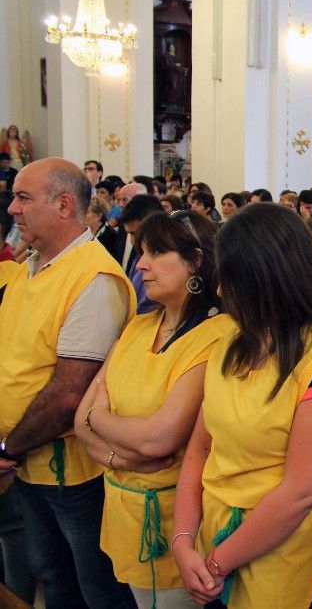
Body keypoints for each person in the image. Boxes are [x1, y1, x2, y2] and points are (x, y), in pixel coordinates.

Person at [172, 204, 312, 608]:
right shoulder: (230, 343)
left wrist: (216, 563)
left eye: (230, 280)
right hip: (215, 537)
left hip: (288, 548)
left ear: (265, 279)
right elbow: (199, 449)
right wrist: (182, 542)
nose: (219, 291)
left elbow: (300, 492)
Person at [72, 210, 232, 608]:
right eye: (141, 252)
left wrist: (99, 418)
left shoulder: (218, 334)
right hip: (122, 510)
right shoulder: (140, 325)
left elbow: (159, 437)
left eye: (156, 252)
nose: (140, 263)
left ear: (195, 261)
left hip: (172, 521)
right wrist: (115, 452)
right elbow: (80, 418)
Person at [1, 159, 136, 608]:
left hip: (72, 472)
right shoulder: (34, 265)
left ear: (63, 205)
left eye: (23, 197)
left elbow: (69, 393)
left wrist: (8, 448)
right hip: (27, 462)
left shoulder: (93, 278)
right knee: (53, 577)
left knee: (96, 589)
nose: (12, 209)